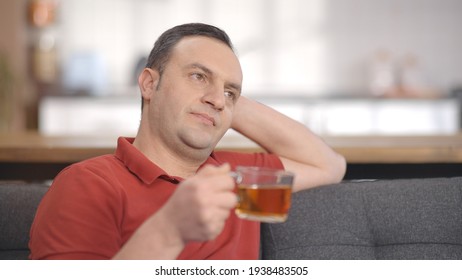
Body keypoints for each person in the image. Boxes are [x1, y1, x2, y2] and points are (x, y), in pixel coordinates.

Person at [29, 23, 346, 260]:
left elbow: (328, 165)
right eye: (198, 76)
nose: (218, 100)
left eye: (230, 93)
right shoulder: (87, 184)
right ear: (150, 84)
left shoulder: (239, 176)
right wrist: (169, 229)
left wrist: (222, 99)